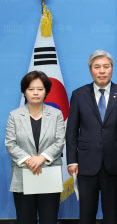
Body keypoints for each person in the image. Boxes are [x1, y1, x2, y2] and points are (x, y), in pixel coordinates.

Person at [66, 50, 117, 224]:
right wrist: (72, 160)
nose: (102, 71)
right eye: (97, 67)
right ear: (90, 70)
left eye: (106, 66)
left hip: (114, 163)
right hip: (86, 163)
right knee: (86, 214)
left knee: (111, 214)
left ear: (112, 69)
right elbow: (72, 131)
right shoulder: (78, 94)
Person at [5, 71, 65, 224]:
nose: (35, 93)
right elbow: (10, 143)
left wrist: (41, 158)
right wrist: (29, 160)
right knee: (25, 220)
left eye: (40, 88)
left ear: (46, 91)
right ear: (24, 91)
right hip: (23, 175)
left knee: (49, 220)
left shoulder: (56, 114)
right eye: (31, 89)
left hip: (49, 175)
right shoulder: (14, 115)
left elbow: (59, 141)